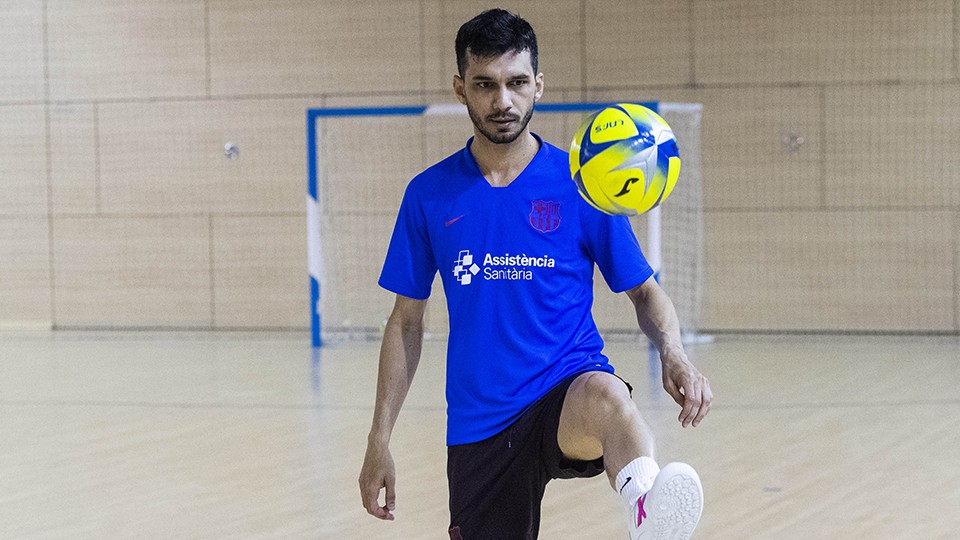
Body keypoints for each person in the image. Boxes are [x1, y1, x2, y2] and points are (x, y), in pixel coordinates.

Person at [358, 8, 713, 540]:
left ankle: (646, 510)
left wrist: (675, 353)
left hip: (566, 386)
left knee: (611, 400)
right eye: (486, 84)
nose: (503, 101)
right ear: (461, 88)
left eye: (517, 82)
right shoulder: (429, 195)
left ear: (538, 85)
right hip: (481, 422)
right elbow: (406, 323)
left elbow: (644, 291)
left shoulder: (582, 184)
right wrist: (378, 438)